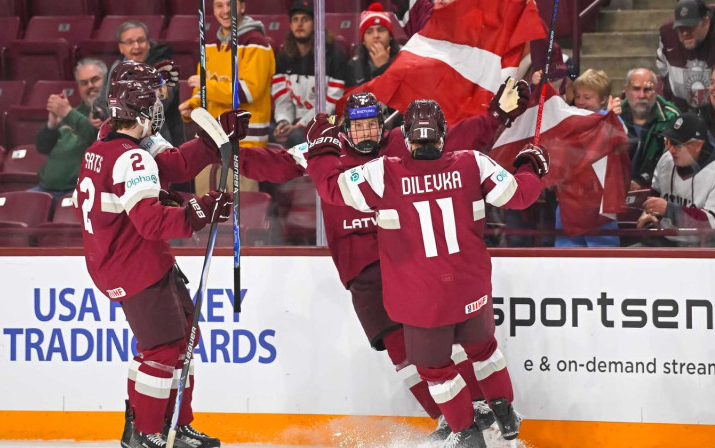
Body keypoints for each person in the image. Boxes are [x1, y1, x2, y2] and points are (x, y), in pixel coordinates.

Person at [230, 83, 530, 439]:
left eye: (372, 124)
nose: (367, 132)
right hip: (365, 265)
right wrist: (228, 151)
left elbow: (460, 139)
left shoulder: (403, 142)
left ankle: (475, 408)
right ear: (344, 128)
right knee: (402, 350)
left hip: (410, 258)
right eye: (358, 126)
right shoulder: (325, 148)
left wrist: (497, 115)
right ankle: (452, 417)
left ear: (383, 125)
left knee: (443, 343)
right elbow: (276, 164)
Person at [302, 99, 548, 447]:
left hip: (421, 298)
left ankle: (465, 433)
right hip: (470, 290)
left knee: (438, 371)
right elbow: (520, 195)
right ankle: (505, 414)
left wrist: (320, 151)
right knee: (485, 351)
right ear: (443, 134)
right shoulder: (472, 163)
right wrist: (530, 167)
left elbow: (331, 187)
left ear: (404, 136)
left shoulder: (383, 172)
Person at [74, 60, 247, 448]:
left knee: (182, 339)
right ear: (142, 106)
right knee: (163, 347)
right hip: (135, 263)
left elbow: (175, 165)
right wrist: (196, 212)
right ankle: (146, 432)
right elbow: (151, 223)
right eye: (155, 98)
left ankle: (170, 425)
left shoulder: (109, 142)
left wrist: (214, 141)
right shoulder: (131, 156)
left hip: (129, 260)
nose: (161, 104)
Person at [180, 0, 275, 193]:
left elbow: (248, 91)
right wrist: (193, 105)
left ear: (241, 7)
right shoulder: (209, 47)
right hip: (211, 140)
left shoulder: (257, 44)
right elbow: (202, 89)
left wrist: (208, 86)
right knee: (207, 211)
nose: (225, 11)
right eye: (219, 6)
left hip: (245, 142)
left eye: (229, 5)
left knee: (244, 215)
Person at [638, 111, 715, 246]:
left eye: (677, 144)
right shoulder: (666, 160)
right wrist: (649, 214)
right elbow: (654, 197)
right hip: (665, 241)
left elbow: (714, 227)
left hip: (706, 250)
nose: (671, 150)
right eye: (668, 142)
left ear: (698, 145)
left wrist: (670, 210)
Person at [554, 68, 621, 247]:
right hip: (569, 203)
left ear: (603, 99)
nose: (581, 102)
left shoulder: (613, 122)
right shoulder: (568, 122)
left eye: (587, 97)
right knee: (565, 261)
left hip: (598, 205)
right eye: (578, 96)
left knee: (602, 263)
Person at [270, 0, 348, 148]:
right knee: (270, 132)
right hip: (294, 122)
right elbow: (281, 98)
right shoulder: (283, 56)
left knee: (296, 136)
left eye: (305, 20)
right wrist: (284, 122)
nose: (299, 24)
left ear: (315, 23)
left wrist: (300, 124)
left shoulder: (333, 55)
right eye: (295, 20)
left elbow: (331, 102)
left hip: (326, 121)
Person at [95, 20, 185, 147]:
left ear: (148, 43)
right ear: (121, 47)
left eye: (141, 40)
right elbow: (102, 101)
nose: (137, 46)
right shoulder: (114, 69)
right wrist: (97, 114)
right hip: (121, 142)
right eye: (130, 42)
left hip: (157, 143)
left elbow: (156, 104)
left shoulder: (164, 69)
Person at [34, 58, 107, 209]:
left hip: (80, 193)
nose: (90, 86)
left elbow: (98, 136)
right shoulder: (73, 113)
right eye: (84, 83)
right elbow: (42, 147)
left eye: (95, 80)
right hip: (44, 189)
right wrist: (52, 125)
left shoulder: (113, 112)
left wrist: (67, 113)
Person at [344, 1, 432, 88]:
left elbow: (402, 97)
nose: (376, 36)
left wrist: (383, 68)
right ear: (363, 40)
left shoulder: (405, 61)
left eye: (381, 30)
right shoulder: (353, 66)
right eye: (369, 32)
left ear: (390, 36)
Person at [620, 68, 681, 190]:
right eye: (636, 89)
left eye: (647, 89)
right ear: (626, 91)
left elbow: (674, 159)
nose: (642, 95)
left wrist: (643, 181)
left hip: (657, 189)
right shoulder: (614, 115)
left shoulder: (671, 117)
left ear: (656, 91)